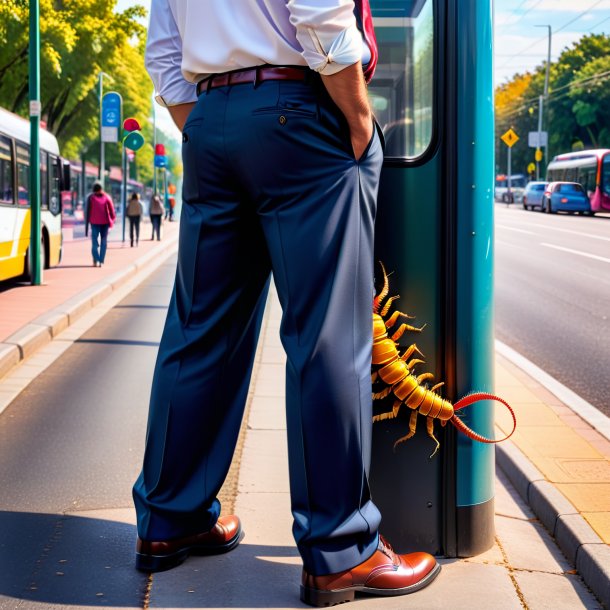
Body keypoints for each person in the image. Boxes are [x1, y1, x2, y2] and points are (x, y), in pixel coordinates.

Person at [133, 1, 440, 606]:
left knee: (199, 331)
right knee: (327, 336)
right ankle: (339, 550)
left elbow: (163, 54)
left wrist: (210, 122)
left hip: (211, 118)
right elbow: (319, 8)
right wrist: (356, 114)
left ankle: (169, 520)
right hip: (302, 111)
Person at [85, 181, 115, 267]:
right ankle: (101, 260)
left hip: (94, 222)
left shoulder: (90, 197)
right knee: (103, 241)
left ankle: (96, 260)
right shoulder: (107, 197)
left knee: (94, 242)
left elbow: (87, 210)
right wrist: (112, 219)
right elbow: (112, 210)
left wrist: (87, 221)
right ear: (101, 188)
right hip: (105, 222)